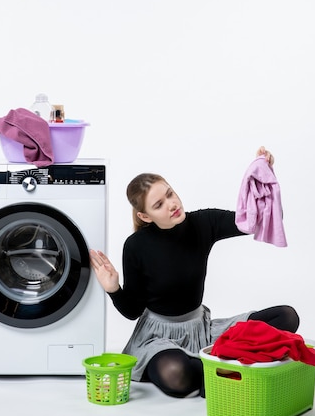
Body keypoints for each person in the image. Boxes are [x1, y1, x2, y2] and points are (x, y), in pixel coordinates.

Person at [89, 146, 299, 399]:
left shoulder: (203, 223)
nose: (172, 204)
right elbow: (133, 311)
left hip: (202, 329)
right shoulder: (136, 246)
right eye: (159, 204)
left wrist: (260, 175)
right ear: (145, 215)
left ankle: (216, 367)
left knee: (286, 317)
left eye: (170, 194)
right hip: (158, 338)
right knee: (177, 373)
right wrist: (114, 289)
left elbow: (250, 223)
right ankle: (227, 367)